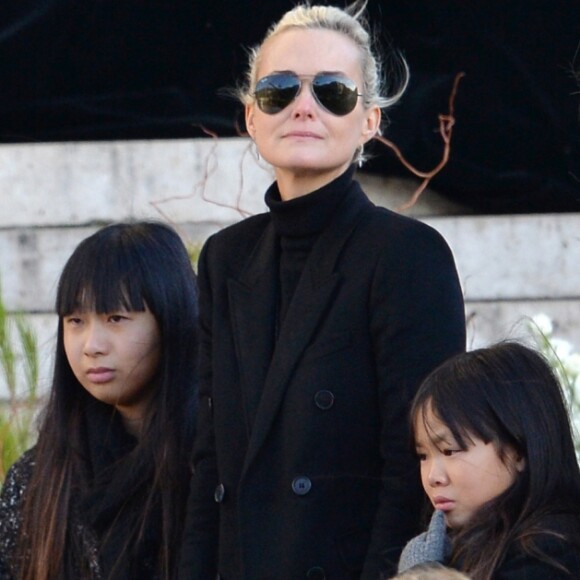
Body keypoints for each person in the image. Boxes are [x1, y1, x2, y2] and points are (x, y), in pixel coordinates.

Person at [179, 2, 466, 578]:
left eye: (332, 90)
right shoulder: (225, 258)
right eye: (278, 89)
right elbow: (210, 464)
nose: (302, 106)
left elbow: (416, 467)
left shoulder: (408, 255)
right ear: (251, 116)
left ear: (369, 121)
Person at [0, 221, 199, 579]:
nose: (91, 345)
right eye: (76, 320)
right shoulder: (37, 480)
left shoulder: (215, 467)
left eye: (116, 318)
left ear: (172, 321)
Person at [399, 342, 580, 579]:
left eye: (450, 451)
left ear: (518, 450)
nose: (433, 477)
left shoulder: (552, 554)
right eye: (423, 455)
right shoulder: (453, 545)